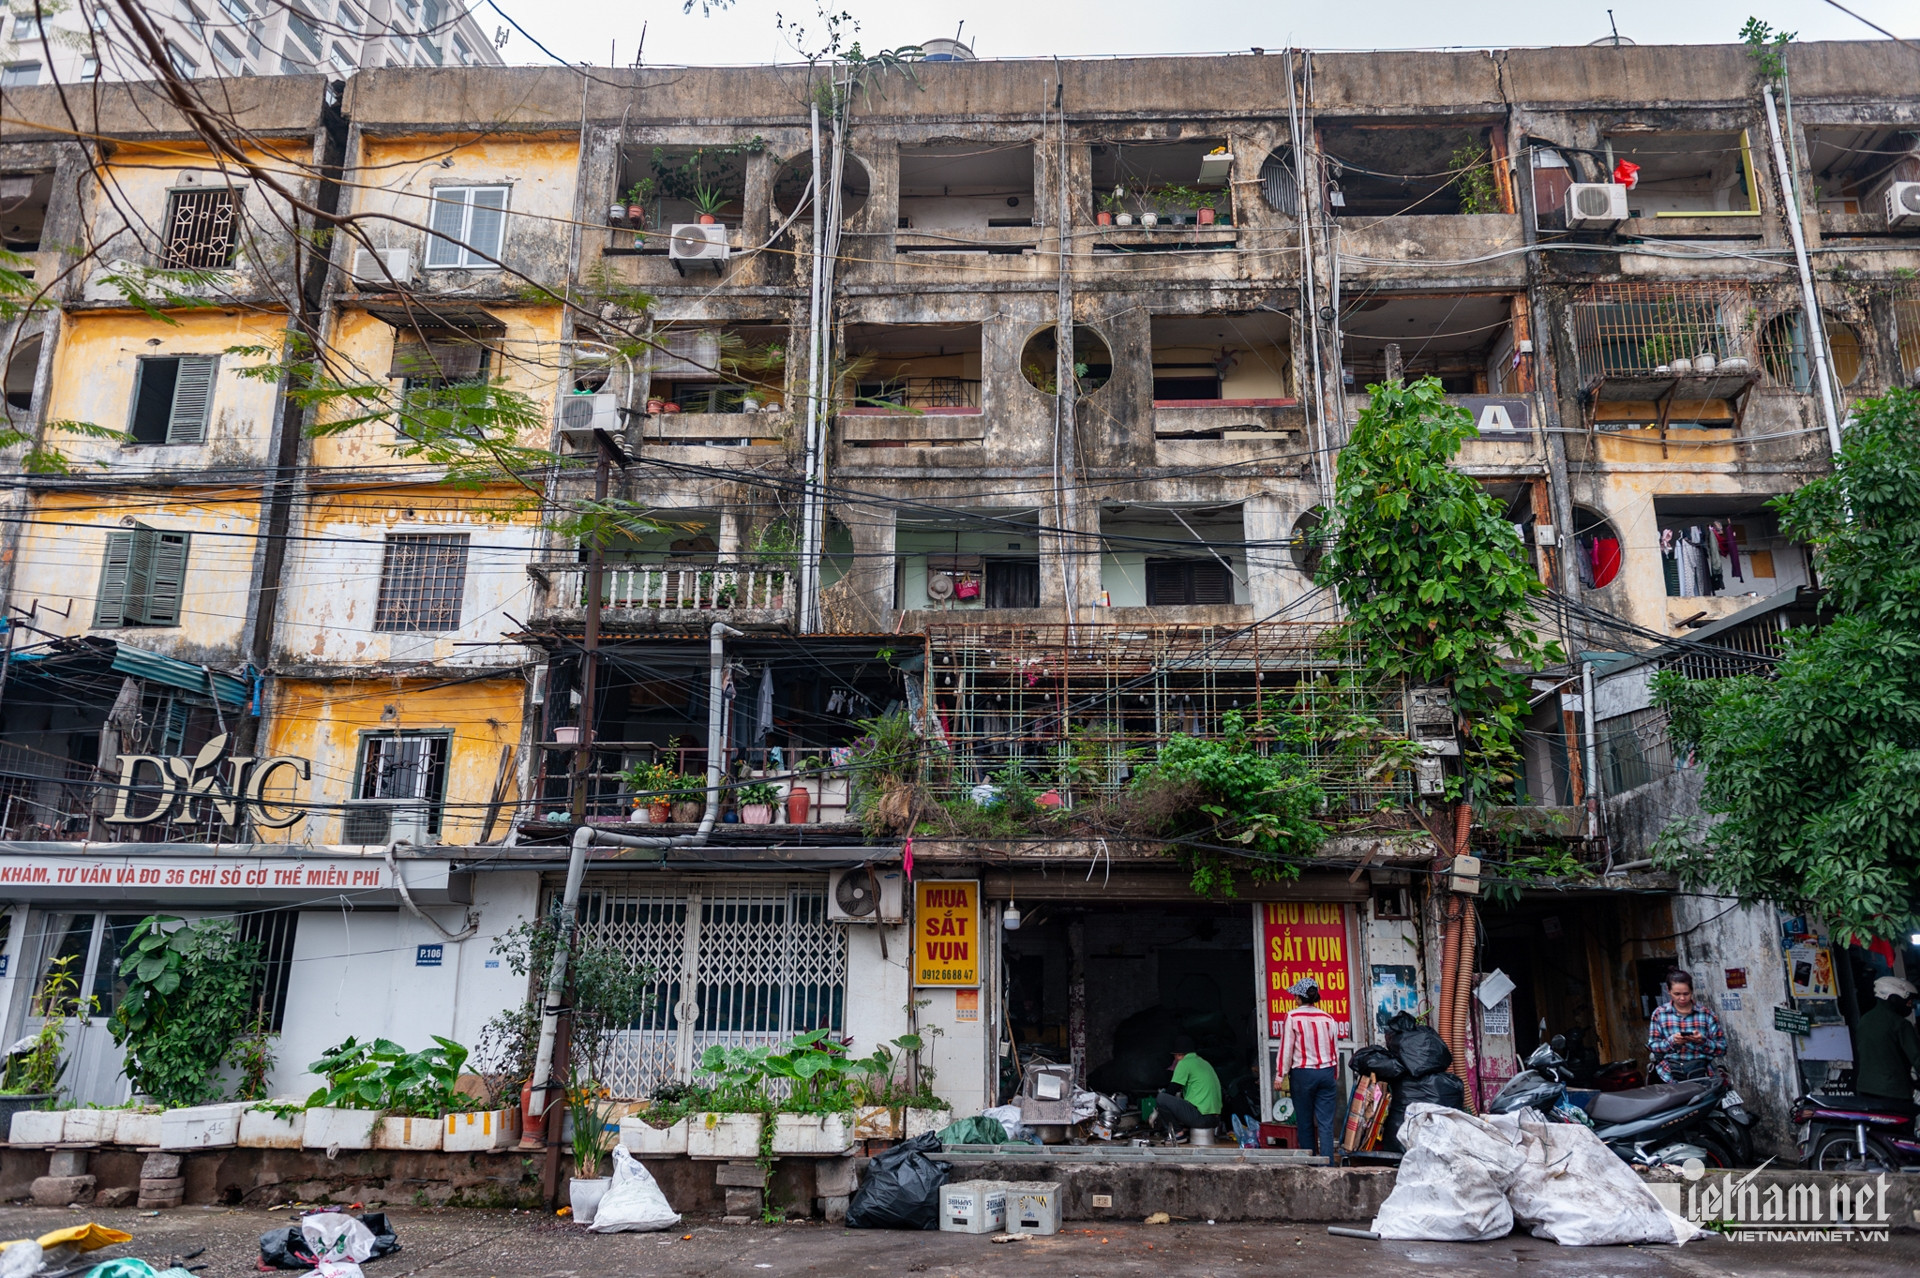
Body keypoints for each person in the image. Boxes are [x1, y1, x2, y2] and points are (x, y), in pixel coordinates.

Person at [1278, 977, 1340, 1157]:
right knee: (1326, 1124)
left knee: (1304, 1121)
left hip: (1303, 1074)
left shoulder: (1292, 1016)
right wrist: (1334, 1075)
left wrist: (1280, 1075)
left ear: (1298, 998)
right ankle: (1328, 1164)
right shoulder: (1328, 1018)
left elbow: (1286, 1049)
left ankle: (1311, 1163)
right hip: (1326, 1073)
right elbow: (1335, 1050)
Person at [1646, 968, 1727, 1082]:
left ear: (1692, 991)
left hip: (1702, 1073)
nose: (1682, 998)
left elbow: (1722, 1049)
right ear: (1668, 990)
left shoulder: (1706, 1015)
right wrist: (1672, 1041)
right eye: (1677, 994)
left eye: (1686, 994)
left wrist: (1702, 1041)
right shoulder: (1659, 1014)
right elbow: (1653, 1046)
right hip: (1669, 1075)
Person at [1854, 975, 1920, 1113]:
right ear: (1893, 998)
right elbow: (1917, 1058)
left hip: (1865, 1090)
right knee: (1901, 1133)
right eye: (1908, 1001)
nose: (1910, 1005)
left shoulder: (1864, 1021)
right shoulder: (1900, 1024)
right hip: (1894, 1093)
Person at [1152, 1034, 1222, 1142]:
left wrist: (1156, 1112)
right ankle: (1183, 1130)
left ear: (1178, 1055)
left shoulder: (1184, 1063)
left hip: (1201, 1118)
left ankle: (1178, 1134)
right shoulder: (1204, 1063)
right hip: (1215, 1120)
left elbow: (1171, 1091)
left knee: (1161, 1098)